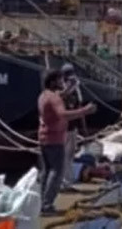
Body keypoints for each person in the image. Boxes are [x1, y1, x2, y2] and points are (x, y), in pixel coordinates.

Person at [37, 69, 96, 216]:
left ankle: (41, 202)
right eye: (59, 80)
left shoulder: (44, 96)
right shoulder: (54, 98)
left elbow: (59, 97)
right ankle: (47, 205)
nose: (62, 82)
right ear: (53, 82)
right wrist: (85, 110)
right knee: (57, 172)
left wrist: (71, 88)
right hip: (54, 139)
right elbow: (62, 114)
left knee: (46, 172)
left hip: (44, 138)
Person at [59, 63, 86, 192]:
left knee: (69, 156)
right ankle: (63, 182)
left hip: (72, 128)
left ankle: (68, 181)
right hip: (63, 129)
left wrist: (83, 128)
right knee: (64, 156)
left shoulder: (76, 89)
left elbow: (80, 108)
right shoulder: (60, 89)